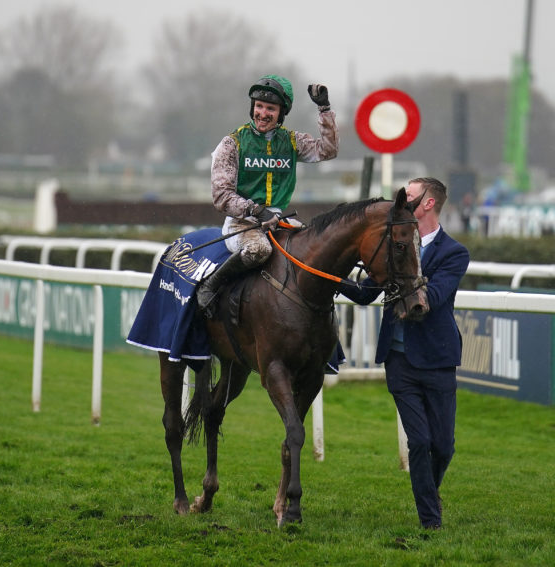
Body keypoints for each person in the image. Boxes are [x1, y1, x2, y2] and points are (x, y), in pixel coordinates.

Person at [341, 177, 469, 529]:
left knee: (443, 446)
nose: (402, 198)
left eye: (410, 195)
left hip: (438, 359)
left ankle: (429, 491)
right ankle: (430, 520)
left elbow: (435, 297)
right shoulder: (392, 243)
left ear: (428, 203)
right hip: (399, 362)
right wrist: (327, 276)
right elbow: (365, 293)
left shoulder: (454, 253)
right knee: (420, 441)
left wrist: (411, 290)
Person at [196, 74, 339, 316]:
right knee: (259, 250)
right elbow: (221, 196)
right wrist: (255, 210)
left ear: (282, 113)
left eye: (270, 109)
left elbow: (328, 150)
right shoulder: (232, 144)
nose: (262, 114)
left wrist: (324, 109)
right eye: (259, 106)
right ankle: (211, 285)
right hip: (242, 223)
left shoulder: (292, 141)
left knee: (314, 248)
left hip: (278, 221)